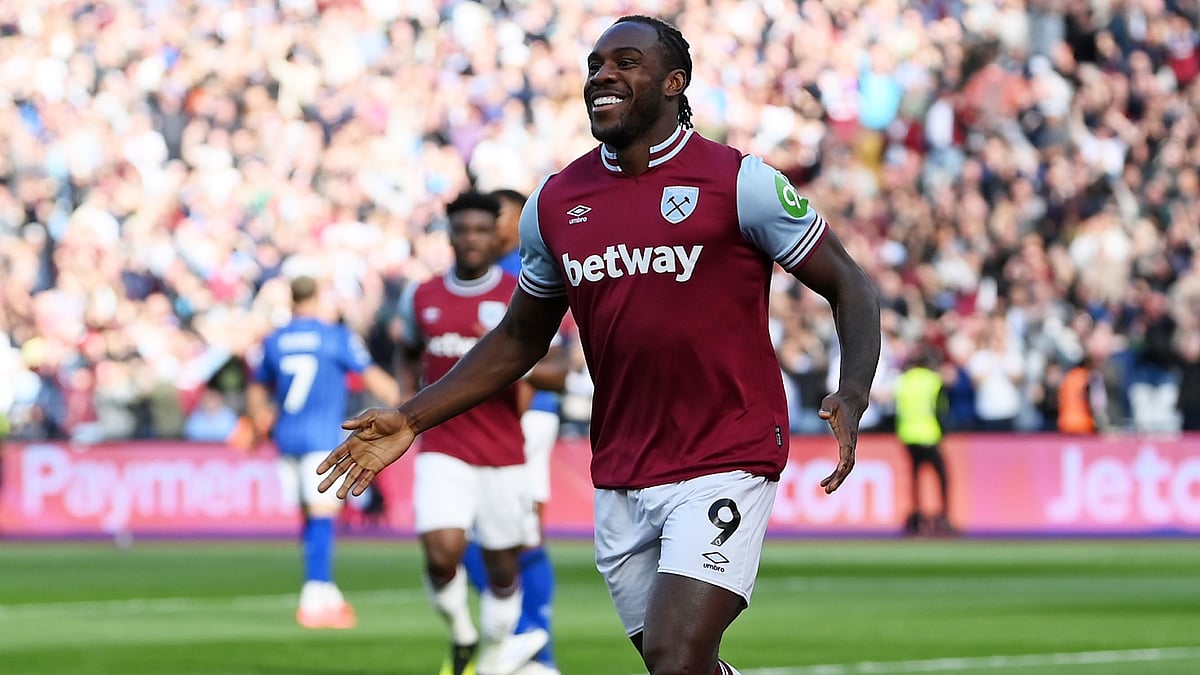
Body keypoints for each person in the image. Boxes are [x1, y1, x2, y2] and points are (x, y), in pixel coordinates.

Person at [317, 15, 881, 675]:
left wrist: (852, 388)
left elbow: (849, 282)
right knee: (679, 664)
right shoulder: (554, 204)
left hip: (726, 452)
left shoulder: (739, 182)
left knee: (675, 656)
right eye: (594, 64)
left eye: (626, 62)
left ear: (674, 83)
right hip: (621, 469)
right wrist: (412, 415)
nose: (603, 76)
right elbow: (519, 337)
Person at [395, 191, 562, 675]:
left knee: (504, 568)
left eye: (480, 230)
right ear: (449, 235)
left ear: (497, 236)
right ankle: (462, 633)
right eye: (462, 230)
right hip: (442, 445)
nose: (471, 239)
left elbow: (558, 367)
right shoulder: (421, 295)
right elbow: (406, 351)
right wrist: (408, 402)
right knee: (441, 551)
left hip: (504, 449)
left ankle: (488, 658)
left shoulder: (520, 291)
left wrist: (507, 364)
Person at [454, 188, 568, 675]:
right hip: (511, 418)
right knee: (512, 532)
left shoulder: (511, 275)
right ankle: (532, 647)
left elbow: (541, 355)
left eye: (497, 218)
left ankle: (530, 640)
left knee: (500, 534)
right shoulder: (512, 270)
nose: (488, 228)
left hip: (517, 420)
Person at [245, 274, 400, 630]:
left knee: (311, 516)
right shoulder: (334, 337)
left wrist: (257, 420)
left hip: (287, 438)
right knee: (323, 515)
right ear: (316, 297)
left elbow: (257, 387)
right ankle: (316, 594)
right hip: (323, 439)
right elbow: (372, 376)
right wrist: (407, 406)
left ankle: (323, 590)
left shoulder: (275, 340)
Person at [893, 348, 954, 536]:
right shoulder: (933, 381)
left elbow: (897, 409)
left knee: (915, 477)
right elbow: (940, 410)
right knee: (942, 477)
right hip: (929, 434)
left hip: (908, 435)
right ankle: (942, 517)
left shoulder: (903, 380)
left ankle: (917, 517)